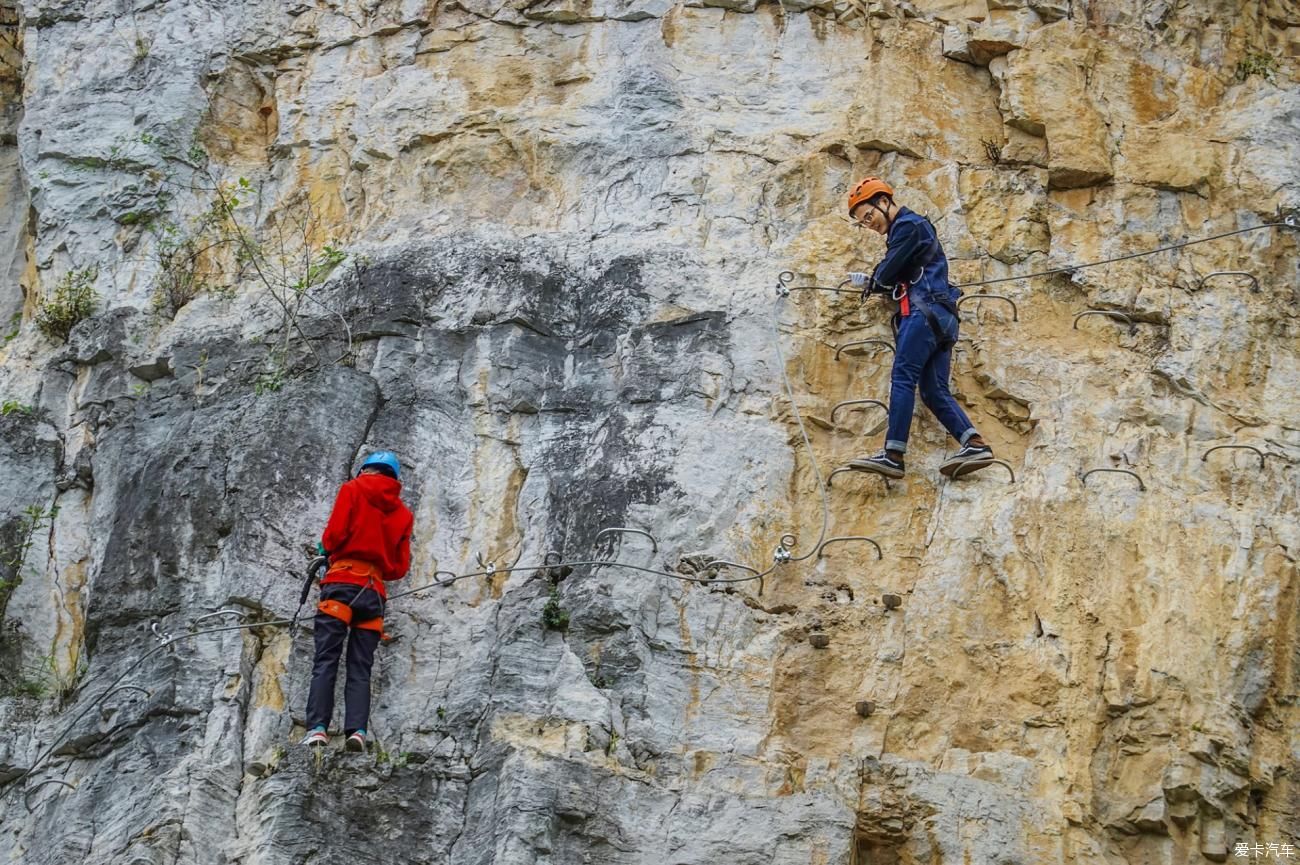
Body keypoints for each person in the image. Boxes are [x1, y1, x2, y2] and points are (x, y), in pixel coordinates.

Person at [842, 176, 994, 479]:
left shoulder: (909, 226)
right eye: (863, 222)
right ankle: (974, 443)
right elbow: (899, 273)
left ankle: (893, 455)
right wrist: (876, 281)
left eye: (869, 215)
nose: (869, 223)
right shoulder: (910, 231)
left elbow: (888, 270)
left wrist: (875, 280)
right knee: (933, 390)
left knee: (902, 376)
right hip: (942, 317)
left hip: (924, 313)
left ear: (883, 202)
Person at [302, 451, 413, 751]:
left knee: (326, 659)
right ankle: (357, 732)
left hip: (342, 584)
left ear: (366, 470)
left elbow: (335, 533)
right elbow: (400, 567)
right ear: (393, 477)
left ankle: (318, 729)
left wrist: (324, 549)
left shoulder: (352, 489)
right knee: (360, 667)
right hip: (374, 592)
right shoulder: (403, 513)